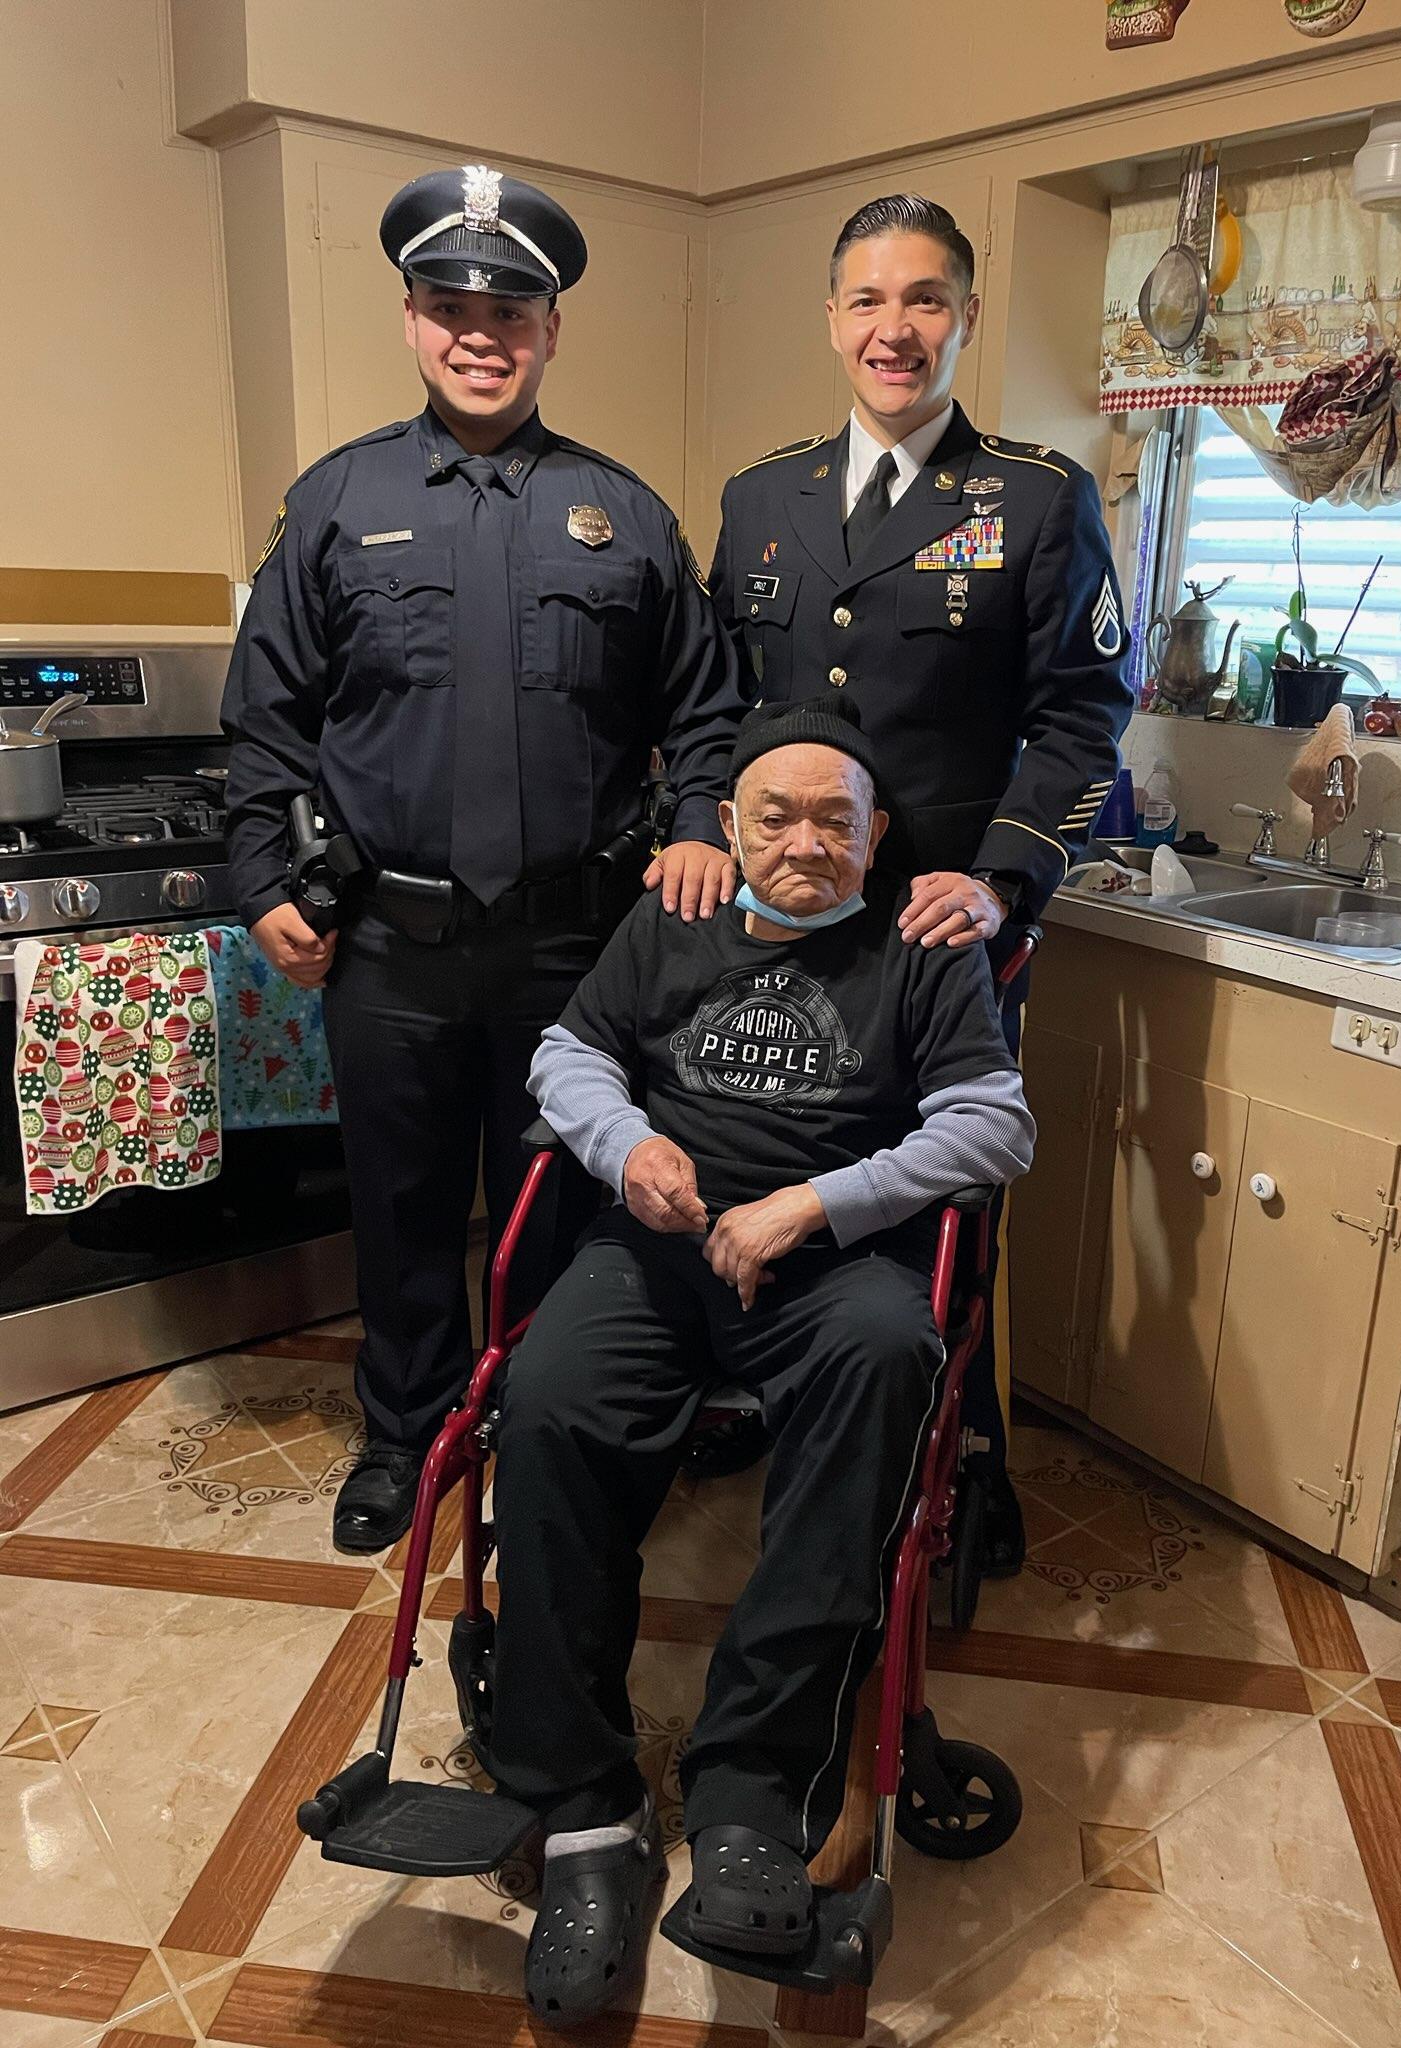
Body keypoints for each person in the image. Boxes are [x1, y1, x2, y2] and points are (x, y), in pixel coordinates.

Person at [488, 693, 1035, 2027]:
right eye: (776, 815)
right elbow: (567, 1057)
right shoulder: (672, 917)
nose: (806, 841)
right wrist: (630, 1149)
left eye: (834, 820)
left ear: (875, 835)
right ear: (729, 826)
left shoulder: (922, 945)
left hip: (834, 1270)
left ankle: (750, 1798)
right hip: (658, 1255)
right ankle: (581, 1818)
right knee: (546, 1397)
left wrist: (818, 1204)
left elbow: (993, 1127)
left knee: (889, 1358)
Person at [221, 165, 743, 1555]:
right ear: (410, 318)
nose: (480, 332)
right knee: (397, 1210)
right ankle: (410, 1437)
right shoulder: (336, 502)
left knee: (556, 1210)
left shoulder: (626, 516)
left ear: (552, 329)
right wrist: (264, 878)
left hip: (572, 951)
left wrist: (700, 827)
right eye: (451, 305)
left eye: (510, 309)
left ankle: (541, 1427)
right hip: (385, 943)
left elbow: (705, 719)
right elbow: (264, 721)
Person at [704, 193, 1135, 1565]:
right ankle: (775, 1392)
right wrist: (705, 833)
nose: (896, 330)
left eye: (926, 300)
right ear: (833, 319)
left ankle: (960, 1452)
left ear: (962, 317)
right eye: (870, 302)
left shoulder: (1037, 495)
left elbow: (1083, 716)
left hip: (936, 931)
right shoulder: (762, 497)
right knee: (762, 1150)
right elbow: (721, 707)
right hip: (777, 922)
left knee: (939, 1196)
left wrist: (1004, 878)